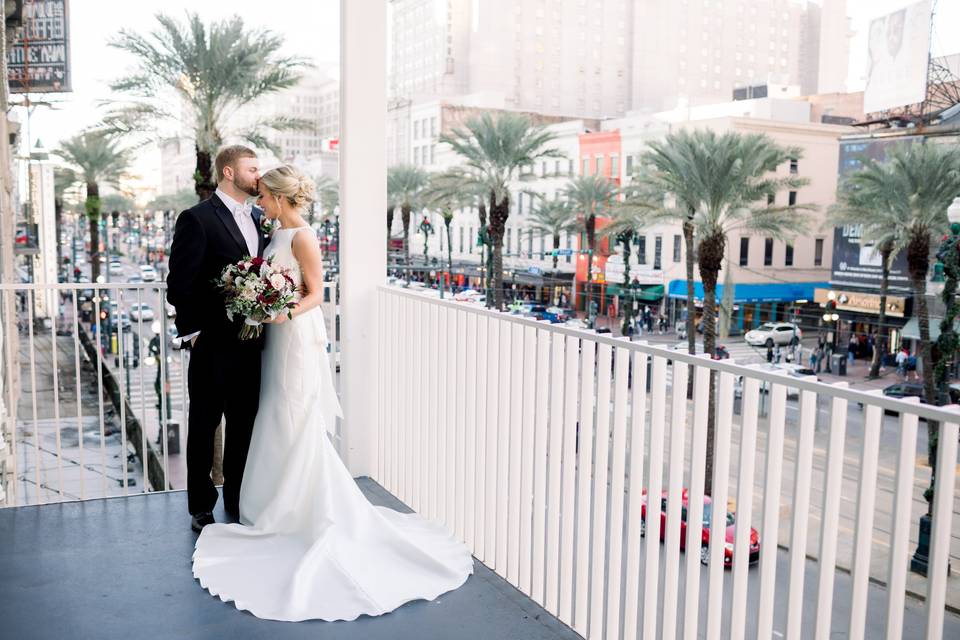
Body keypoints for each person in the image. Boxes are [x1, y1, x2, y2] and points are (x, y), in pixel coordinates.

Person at [191, 165, 473, 622]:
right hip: (274, 337)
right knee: (274, 414)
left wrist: (281, 314)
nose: (259, 202)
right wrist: (261, 303)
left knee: (294, 414)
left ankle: (303, 509)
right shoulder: (275, 235)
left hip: (294, 337)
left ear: (281, 199)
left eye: (263, 196)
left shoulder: (302, 236)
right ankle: (271, 505)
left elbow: (316, 294)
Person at [167, 145, 267, 529]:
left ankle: (238, 498)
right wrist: (193, 334)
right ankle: (200, 506)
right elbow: (179, 284)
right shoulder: (197, 218)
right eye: (252, 168)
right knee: (205, 426)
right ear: (229, 172)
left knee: (244, 425)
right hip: (211, 344)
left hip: (253, 345)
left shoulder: (261, 218)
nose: (259, 175)